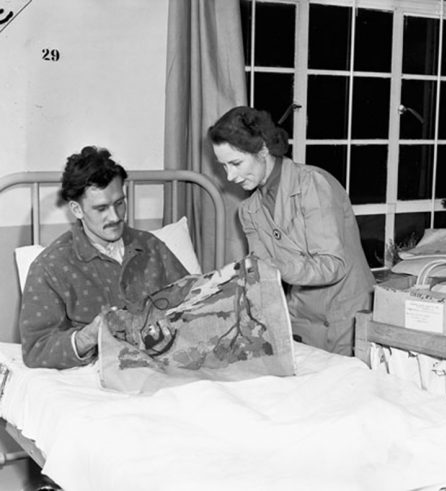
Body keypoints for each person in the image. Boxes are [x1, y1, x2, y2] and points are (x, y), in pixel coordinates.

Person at [207, 106, 375, 356]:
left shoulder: (312, 184)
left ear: (263, 149)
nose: (230, 176)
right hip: (300, 319)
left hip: (347, 319)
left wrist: (277, 268)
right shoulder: (248, 212)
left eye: (236, 163)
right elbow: (261, 272)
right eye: (224, 167)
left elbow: (333, 265)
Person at [19, 146, 189, 369]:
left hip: (169, 366)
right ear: (77, 210)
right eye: (101, 208)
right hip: (98, 381)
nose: (115, 216)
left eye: (119, 203)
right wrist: (87, 336)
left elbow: (193, 301)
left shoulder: (151, 246)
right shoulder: (50, 267)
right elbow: (36, 349)